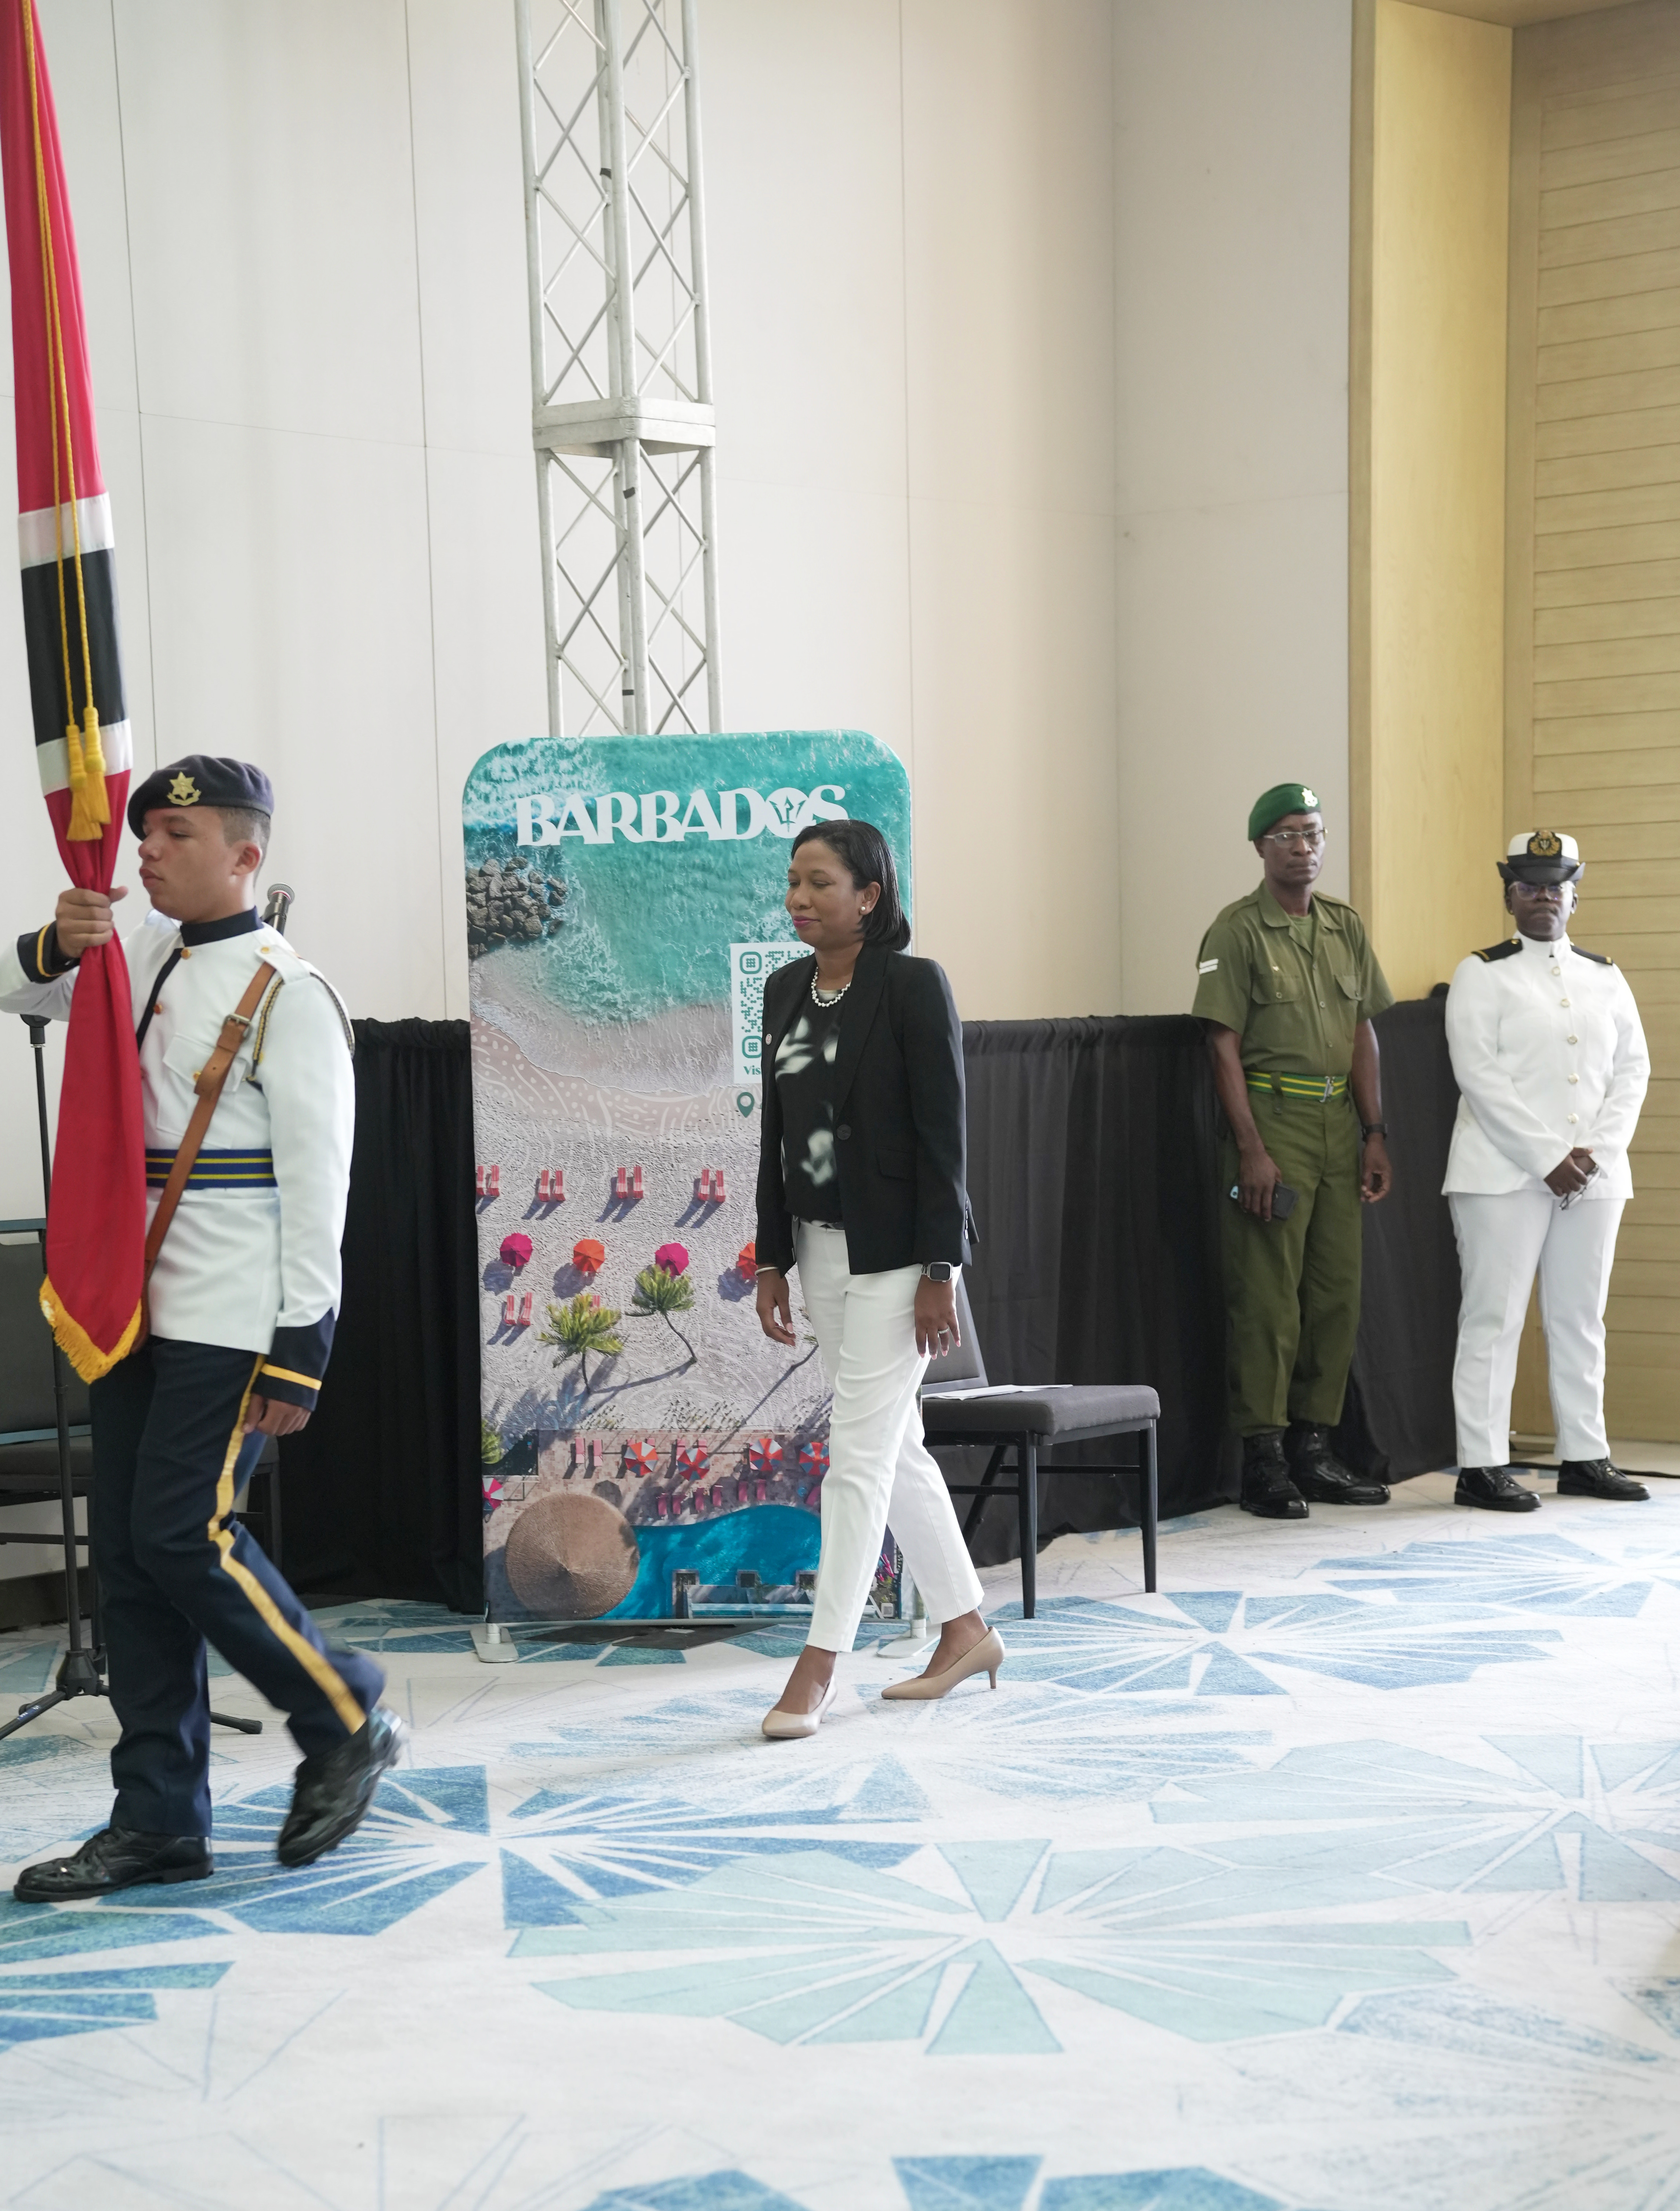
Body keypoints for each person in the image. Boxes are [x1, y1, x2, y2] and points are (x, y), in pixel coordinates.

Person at [2, 755, 399, 1901]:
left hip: (232, 1315)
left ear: (245, 853)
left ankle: (342, 1711)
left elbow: (319, 1187)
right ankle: (160, 1820)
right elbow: (16, 993)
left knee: (184, 1533)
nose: (150, 852)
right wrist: (57, 940)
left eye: (176, 835)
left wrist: (301, 1346)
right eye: (145, 836)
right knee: (130, 1564)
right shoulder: (132, 960)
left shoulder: (290, 993)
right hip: (131, 1309)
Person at [753, 818, 998, 1738]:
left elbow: (944, 1140)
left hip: (899, 1259)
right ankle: (966, 1630)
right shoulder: (784, 989)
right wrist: (770, 1256)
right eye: (793, 881)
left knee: (854, 1459)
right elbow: (775, 1134)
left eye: (819, 882)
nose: (798, 898)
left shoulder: (911, 985)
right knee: (893, 1450)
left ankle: (819, 1664)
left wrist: (941, 1268)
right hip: (818, 1250)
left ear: (869, 896)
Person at [1192, 782, 1396, 1519]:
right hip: (1272, 1119)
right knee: (1268, 1298)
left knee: (1335, 1294)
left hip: (1338, 1123)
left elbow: (1362, 1032)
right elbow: (1221, 1045)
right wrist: (1250, 1149)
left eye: (1312, 833)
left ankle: (1315, 1449)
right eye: (1285, 836)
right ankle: (1264, 1458)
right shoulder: (1236, 931)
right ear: (1260, 847)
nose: (1302, 848)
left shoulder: (1344, 926)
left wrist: (1374, 1133)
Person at [1443, 830, 1651, 1511]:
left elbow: (1633, 1071)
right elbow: (1479, 1075)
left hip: (1594, 1176)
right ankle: (1481, 1466)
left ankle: (1585, 1456)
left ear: (1574, 898)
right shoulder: (1482, 973)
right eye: (1529, 886)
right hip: (1500, 1176)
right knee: (1494, 1318)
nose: (1544, 897)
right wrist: (1548, 1159)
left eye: (1556, 886)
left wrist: (1595, 1152)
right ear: (1509, 898)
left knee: (1581, 1318)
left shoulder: (1606, 976)